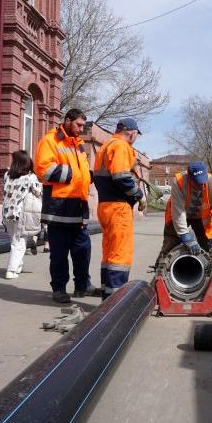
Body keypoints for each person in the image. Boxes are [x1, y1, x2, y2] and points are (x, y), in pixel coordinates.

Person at [34, 108, 93, 303]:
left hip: (78, 206)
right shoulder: (50, 140)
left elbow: (82, 171)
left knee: (82, 250)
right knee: (59, 254)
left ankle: (82, 286)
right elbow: (42, 169)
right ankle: (59, 289)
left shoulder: (79, 145)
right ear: (67, 120)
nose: (81, 129)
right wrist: (72, 175)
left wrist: (88, 177)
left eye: (83, 125)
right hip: (59, 208)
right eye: (78, 124)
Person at [93, 118, 144, 299]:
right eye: (136, 134)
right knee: (120, 254)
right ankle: (116, 301)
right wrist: (137, 194)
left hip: (105, 206)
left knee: (109, 254)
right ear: (131, 132)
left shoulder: (106, 146)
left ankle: (107, 296)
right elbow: (121, 177)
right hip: (118, 208)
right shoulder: (121, 146)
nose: (136, 138)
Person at [159, 162, 212, 258]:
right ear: (189, 178)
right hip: (180, 214)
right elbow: (178, 212)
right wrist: (185, 236)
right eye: (198, 183)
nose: (202, 185)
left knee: (209, 249)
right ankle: (160, 266)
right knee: (170, 245)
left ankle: (210, 267)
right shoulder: (179, 182)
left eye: (203, 181)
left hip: (201, 219)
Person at [2, 150, 43, 279]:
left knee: (14, 240)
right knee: (19, 242)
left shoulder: (7, 175)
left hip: (7, 212)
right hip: (20, 213)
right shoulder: (30, 177)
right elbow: (38, 192)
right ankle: (11, 270)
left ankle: (18, 267)